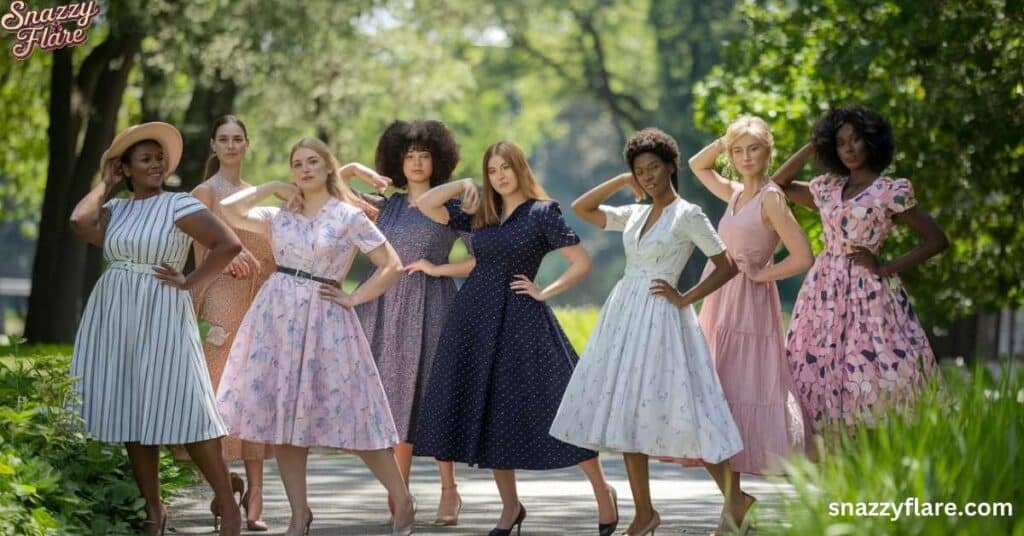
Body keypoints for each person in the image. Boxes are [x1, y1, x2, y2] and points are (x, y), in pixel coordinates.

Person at [412, 141, 618, 536]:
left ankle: (602, 492)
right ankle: (510, 508)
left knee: (559, 404)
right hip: (473, 317)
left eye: (506, 167)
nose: (500, 176)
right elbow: (426, 204)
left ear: (520, 168)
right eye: (492, 170)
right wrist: (463, 184)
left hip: (522, 318)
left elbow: (581, 262)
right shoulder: (480, 212)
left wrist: (545, 290)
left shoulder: (543, 213)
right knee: (489, 411)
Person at [549, 127, 746, 535]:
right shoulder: (634, 213)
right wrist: (623, 181)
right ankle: (644, 513)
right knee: (625, 413)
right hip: (624, 318)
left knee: (684, 410)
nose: (648, 176)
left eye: (654, 168)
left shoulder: (688, 214)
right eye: (640, 171)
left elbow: (727, 265)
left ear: (671, 166)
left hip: (663, 319)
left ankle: (737, 498)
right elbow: (582, 207)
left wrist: (686, 296)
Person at [215, 138, 415, 536]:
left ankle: (403, 498)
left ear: (328, 167)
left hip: (328, 318)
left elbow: (392, 265)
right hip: (277, 316)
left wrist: (355, 297)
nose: (304, 169)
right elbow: (227, 210)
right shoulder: (279, 215)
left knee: (355, 414)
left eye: (312, 162)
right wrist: (272, 186)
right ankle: (298, 515)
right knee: (286, 422)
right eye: (296, 164)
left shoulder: (348, 216)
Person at [69, 122, 243, 536]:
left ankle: (228, 503)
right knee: (134, 411)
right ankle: (154, 510)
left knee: (188, 408)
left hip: (163, 311)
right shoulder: (118, 210)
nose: (155, 165)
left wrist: (191, 281)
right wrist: (105, 183)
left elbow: (228, 245)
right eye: (145, 159)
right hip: (117, 313)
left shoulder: (178, 204)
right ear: (125, 168)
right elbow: (79, 220)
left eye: (158, 159)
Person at [771, 106, 949, 437]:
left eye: (855, 140)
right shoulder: (827, 188)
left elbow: (937, 240)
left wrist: (884, 267)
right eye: (839, 142)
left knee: (873, 368)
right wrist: (814, 143)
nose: (849, 148)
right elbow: (776, 185)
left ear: (871, 142)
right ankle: (832, 458)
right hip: (823, 290)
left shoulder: (889, 191)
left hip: (868, 291)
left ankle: (880, 451)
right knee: (817, 365)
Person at [685, 115, 814, 518]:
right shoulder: (736, 193)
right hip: (719, 297)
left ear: (767, 151)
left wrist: (762, 273)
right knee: (711, 395)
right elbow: (696, 165)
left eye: (753, 149)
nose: (744, 157)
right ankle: (734, 502)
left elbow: (803, 255)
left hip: (748, 306)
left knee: (734, 394)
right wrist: (729, 139)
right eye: (738, 151)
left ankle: (732, 508)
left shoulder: (772, 198)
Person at [347, 119, 472, 525]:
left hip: (431, 304)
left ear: (438, 161)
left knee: (434, 393)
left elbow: (481, 256)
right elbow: (330, 193)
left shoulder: (452, 207)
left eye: (425, 156)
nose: (417, 163)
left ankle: (449, 490)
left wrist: (439, 270)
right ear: (397, 162)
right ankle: (400, 493)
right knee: (394, 396)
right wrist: (350, 169)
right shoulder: (387, 206)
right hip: (383, 308)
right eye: (409, 156)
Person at [181, 114, 274, 531]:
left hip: (256, 304)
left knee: (253, 399)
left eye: (238, 139)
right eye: (224, 139)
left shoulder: (255, 195)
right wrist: (228, 253)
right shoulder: (204, 192)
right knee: (216, 396)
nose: (232, 145)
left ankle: (256, 498)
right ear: (214, 147)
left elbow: (271, 250)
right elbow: (197, 247)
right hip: (219, 298)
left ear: (247, 145)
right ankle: (224, 486)